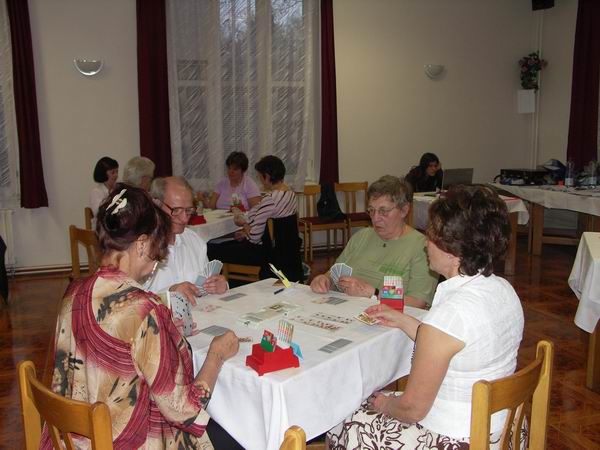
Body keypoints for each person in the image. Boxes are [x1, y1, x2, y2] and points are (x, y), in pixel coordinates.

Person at [327, 185, 525, 449]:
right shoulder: (502, 289)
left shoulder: (450, 314)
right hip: (504, 427)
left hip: (459, 438)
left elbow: (412, 409)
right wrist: (404, 320)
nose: (425, 242)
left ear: (453, 250)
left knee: (344, 415)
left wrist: (385, 403)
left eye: (431, 236)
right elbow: (455, 342)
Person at [45, 184, 241, 449]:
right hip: (128, 440)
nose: (156, 262)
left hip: (77, 437)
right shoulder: (144, 311)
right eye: (157, 250)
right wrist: (216, 354)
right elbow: (185, 411)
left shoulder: (73, 293)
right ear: (140, 245)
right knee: (238, 434)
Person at [310, 175, 438, 308]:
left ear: (404, 210)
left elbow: (417, 302)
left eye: (383, 211)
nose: (375, 218)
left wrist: (373, 293)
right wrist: (324, 279)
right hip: (348, 310)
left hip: (392, 316)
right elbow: (334, 274)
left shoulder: (423, 247)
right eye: (371, 210)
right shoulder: (361, 236)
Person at [147, 176, 228, 304]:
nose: (184, 218)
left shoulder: (195, 241)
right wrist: (169, 294)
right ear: (156, 205)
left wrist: (218, 286)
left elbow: (205, 289)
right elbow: (130, 303)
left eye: (189, 210)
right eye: (176, 210)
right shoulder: (140, 247)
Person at [207, 155, 297, 268]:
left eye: (260, 176)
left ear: (266, 176)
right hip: (284, 252)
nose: (260, 180)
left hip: (264, 253)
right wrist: (245, 233)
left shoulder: (270, 200)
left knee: (211, 249)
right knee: (225, 245)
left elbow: (254, 238)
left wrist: (244, 224)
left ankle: (220, 278)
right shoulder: (290, 194)